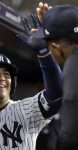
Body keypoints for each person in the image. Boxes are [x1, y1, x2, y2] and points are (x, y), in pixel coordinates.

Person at [0, 14, 62, 149]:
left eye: (6, 74)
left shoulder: (27, 111)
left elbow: (56, 93)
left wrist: (45, 53)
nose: (1, 77)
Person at [33, 4, 78, 150]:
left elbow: (70, 137)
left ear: (57, 48)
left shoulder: (74, 64)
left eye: (49, 46)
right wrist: (53, 23)